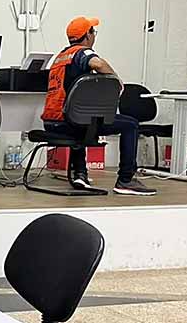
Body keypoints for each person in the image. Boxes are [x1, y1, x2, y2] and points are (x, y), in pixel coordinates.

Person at [42, 16, 157, 196]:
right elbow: (98, 63)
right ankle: (126, 180)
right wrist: (116, 79)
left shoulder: (60, 57)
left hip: (52, 122)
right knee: (130, 124)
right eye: (93, 31)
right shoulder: (82, 53)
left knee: (83, 119)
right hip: (69, 123)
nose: (94, 35)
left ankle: (79, 173)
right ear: (87, 35)